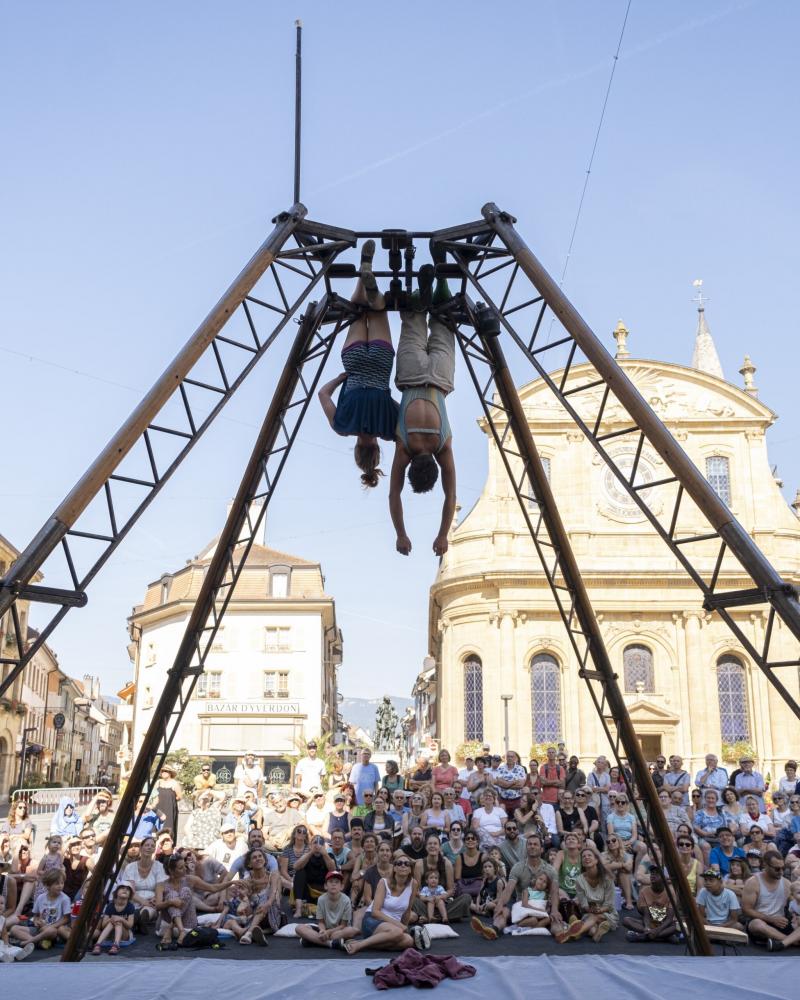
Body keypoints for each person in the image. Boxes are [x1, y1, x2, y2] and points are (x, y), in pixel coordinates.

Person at [317, 241, 400, 487]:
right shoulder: (342, 426)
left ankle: (371, 284)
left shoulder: (389, 428)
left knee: (376, 310)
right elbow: (323, 394)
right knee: (356, 310)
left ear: (376, 450)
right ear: (355, 449)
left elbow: (405, 407)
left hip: (380, 364)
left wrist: (386, 398)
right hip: (354, 363)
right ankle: (366, 271)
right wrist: (342, 378)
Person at [389, 269, 457, 557]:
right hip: (411, 374)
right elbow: (394, 494)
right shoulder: (405, 447)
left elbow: (450, 495)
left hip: (440, 378)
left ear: (434, 468)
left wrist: (443, 535)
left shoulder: (443, 447)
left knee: (443, 321)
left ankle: (442, 278)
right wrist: (400, 534)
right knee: (414, 320)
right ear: (411, 468)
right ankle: (424, 290)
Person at [343, 855, 426, 954]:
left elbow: (407, 910)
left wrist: (405, 927)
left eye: (406, 864)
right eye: (399, 863)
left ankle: (368, 943)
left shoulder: (413, 884)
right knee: (398, 932)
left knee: (408, 941)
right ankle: (360, 945)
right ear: (394, 868)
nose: (403, 866)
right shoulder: (384, 882)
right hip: (373, 920)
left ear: (410, 869)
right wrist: (400, 926)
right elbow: (375, 912)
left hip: (392, 926)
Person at [485, 833, 561, 940]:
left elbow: (554, 893)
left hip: (541, 907)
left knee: (555, 917)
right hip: (521, 907)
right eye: (529, 844)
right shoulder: (517, 867)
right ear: (526, 848)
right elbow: (508, 890)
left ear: (541, 849)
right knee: (504, 911)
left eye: (535, 844)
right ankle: (494, 929)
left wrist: (554, 910)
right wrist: (500, 904)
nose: (532, 846)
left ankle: (561, 934)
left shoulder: (550, 870)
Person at [557, 849, 618, 943]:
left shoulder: (607, 879)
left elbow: (609, 904)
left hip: (608, 913)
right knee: (592, 927)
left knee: (595, 917)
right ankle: (595, 933)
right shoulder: (579, 880)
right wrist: (590, 909)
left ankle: (570, 934)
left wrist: (600, 910)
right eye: (584, 856)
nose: (586, 858)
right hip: (589, 912)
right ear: (582, 862)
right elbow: (583, 904)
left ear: (596, 860)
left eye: (589, 855)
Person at [741, 851, 793, 949]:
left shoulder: (786, 883)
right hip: (761, 922)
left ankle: (781, 941)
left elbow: (796, 903)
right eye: (777, 869)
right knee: (757, 925)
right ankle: (790, 941)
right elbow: (746, 910)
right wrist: (771, 920)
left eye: (783, 868)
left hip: (781, 922)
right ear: (765, 865)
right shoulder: (753, 882)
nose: (781, 872)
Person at [9, 868, 71, 950]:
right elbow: (36, 916)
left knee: (51, 931)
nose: (60, 886)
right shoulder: (41, 898)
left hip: (53, 929)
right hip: (40, 929)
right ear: (47, 885)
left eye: (62, 883)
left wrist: (50, 926)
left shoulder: (65, 899)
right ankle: (38, 942)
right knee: (14, 929)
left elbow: (66, 919)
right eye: (57, 884)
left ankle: (28, 942)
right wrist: (36, 921)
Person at [295, 870, 359, 949]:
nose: (333, 884)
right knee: (299, 928)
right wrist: (322, 931)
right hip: (325, 928)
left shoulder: (346, 900)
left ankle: (313, 940)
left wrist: (329, 932)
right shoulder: (321, 899)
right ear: (325, 886)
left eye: (337, 882)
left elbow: (343, 925)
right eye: (331, 881)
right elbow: (321, 922)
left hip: (338, 930)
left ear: (342, 886)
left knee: (351, 931)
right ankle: (330, 943)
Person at [622, 865, 679, 943]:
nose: (653, 875)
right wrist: (647, 927)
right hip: (650, 922)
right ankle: (663, 937)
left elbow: (669, 919)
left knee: (674, 927)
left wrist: (657, 930)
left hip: (664, 924)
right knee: (626, 920)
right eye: (652, 873)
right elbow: (646, 915)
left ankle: (643, 937)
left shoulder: (670, 892)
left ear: (664, 878)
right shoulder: (644, 891)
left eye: (656, 874)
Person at [91, 883, 135, 955]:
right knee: (113, 921)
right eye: (122, 888)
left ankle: (116, 945)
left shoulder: (130, 906)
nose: (125, 890)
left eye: (128, 889)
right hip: (110, 934)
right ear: (116, 892)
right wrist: (111, 919)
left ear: (130, 895)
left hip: (124, 935)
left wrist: (121, 919)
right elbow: (103, 925)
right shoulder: (110, 906)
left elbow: (130, 925)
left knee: (118, 922)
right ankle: (98, 944)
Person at [602, 833, 634, 909]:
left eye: (613, 840)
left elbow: (629, 868)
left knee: (623, 873)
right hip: (609, 881)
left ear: (619, 841)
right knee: (608, 874)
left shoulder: (626, 854)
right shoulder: (603, 855)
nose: (611, 843)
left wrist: (615, 865)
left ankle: (628, 902)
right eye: (608, 842)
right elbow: (606, 866)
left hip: (623, 883)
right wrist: (622, 865)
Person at [151, 763, 183, 837]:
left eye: (166, 771)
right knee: (154, 828)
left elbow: (179, 796)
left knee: (167, 828)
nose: (163, 773)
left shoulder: (174, 783)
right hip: (158, 808)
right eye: (162, 771)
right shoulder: (158, 782)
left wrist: (171, 801)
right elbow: (153, 794)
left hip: (169, 810)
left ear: (170, 773)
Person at [495, 750, 527, 816]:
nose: (510, 758)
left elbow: (520, 785)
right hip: (503, 800)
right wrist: (514, 781)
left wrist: (505, 785)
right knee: (503, 820)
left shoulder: (520, 769)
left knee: (517, 821)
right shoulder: (500, 768)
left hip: (517, 800)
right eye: (508, 756)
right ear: (506, 758)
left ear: (515, 758)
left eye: (512, 756)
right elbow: (499, 782)